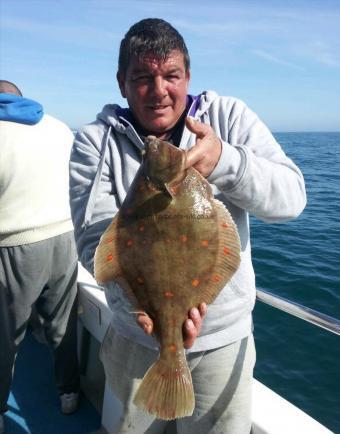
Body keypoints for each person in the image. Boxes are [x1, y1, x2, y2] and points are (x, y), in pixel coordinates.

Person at [69, 18, 306, 434]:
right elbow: (95, 242)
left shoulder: (229, 117)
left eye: (171, 75)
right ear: (122, 82)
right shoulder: (95, 140)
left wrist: (223, 162)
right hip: (133, 337)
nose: (159, 90)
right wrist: (138, 308)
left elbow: (291, 199)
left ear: (187, 76)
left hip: (222, 342)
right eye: (142, 77)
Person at [0, 80, 80, 434]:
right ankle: (70, 393)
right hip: (65, 238)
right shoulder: (60, 127)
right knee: (63, 326)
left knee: (6, 337)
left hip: (15, 244)